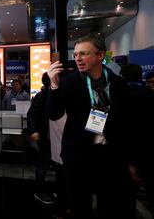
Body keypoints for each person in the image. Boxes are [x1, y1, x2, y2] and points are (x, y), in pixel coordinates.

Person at [47, 34, 136, 219]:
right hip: (79, 156)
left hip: (110, 155)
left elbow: (127, 124)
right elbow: (53, 113)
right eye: (76, 54)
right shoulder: (69, 82)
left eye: (84, 53)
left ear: (100, 55)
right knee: (80, 207)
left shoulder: (117, 84)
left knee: (114, 206)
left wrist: (131, 160)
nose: (78, 58)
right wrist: (54, 86)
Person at [120, 64, 154, 216]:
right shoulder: (150, 93)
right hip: (148, 147)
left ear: (122, 76)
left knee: (127, 195)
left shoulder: (119, 95)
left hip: (126, 149)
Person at [27, 72, 55, 205]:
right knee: (43, 162)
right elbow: (32, 113)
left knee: (46, 162)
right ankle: (40, 191)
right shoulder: (43, 95)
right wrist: (34, 130)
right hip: (46, 135)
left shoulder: (50, 93)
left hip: (50, 135)